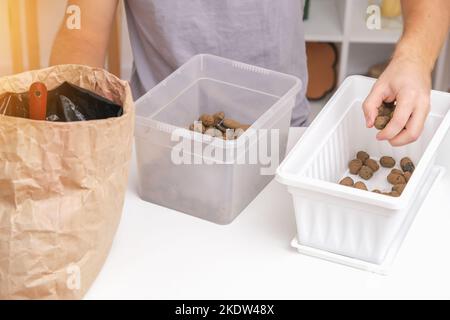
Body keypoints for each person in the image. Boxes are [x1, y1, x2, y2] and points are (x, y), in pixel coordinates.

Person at [51, 0, 450, 146]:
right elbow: (81, 30)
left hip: (280, 137)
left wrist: (413, 58)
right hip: (163, 143)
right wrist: (68, 123)